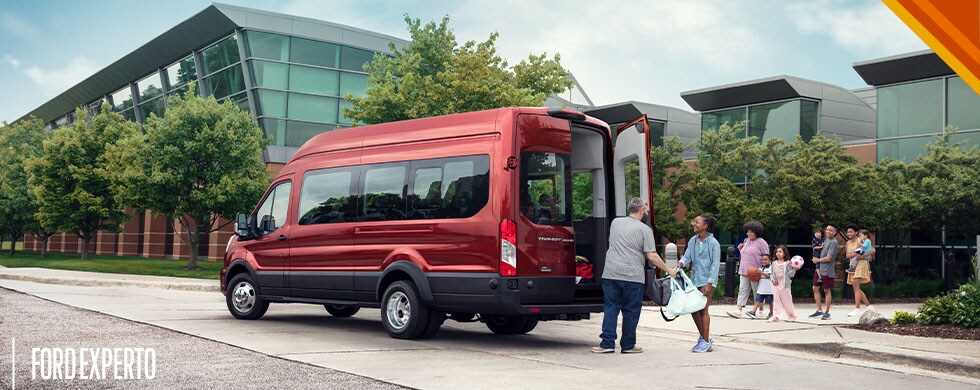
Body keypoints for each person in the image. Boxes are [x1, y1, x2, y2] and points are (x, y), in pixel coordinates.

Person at [593, 197, 677, 354]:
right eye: (646, 211)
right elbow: (651, 256)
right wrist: (669, 270)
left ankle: (607, 343)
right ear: (641, 211)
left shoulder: (615, 223)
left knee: (611, 308)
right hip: (632, 276)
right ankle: (628, 345)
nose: (646, 213)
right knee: (631, 310)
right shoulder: (645, 230)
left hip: (611, 274)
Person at [676, 215, 721, 353]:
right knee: (694, 309)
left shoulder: (714, 243)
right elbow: (687, 256)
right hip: (694, 279)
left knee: (703, 310)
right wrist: (680, 264)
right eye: (694, 221)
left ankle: (705, 341)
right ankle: (704, 337)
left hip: (707, 280)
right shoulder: (692, 241)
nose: (693, 224)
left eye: (697, 222)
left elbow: (715, 265)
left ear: (705, 225)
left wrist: (710, 283)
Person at [727, 221, 769, 319]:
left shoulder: (761, 242)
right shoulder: (746, 241)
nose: (749, 234)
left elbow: (766, 256)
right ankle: (739, 310)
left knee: (757, 291)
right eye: (748, 232)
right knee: (743, 290)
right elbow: (746, 254)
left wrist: (763, 269)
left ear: (757, 232)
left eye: (751, 232)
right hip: (744, 270)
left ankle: (761, 311)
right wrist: (740, 249)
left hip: (756, 271)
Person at [844, 224, 875, 317]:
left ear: (856, 233)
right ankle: (869, 307)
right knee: (856, 287)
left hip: (861, 264)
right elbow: (848, 255)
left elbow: (873, 250)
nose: (849, 233)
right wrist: (855, 255)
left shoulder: (861, 240)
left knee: (856, 286)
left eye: (851, 231)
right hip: (853, 265)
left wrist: (863, 256)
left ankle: (857, 309)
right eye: (848, 232)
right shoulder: (848, 243)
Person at [809, 225, 838, 320]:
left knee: (826, 290)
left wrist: (817, 260)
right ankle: (819, 310)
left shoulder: (833, 242)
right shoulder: (825, 240)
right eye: (827, 230)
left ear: (834, 232)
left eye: (830, 230)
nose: (828, 231)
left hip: (827, 270)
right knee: (815, 288)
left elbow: (829, 258)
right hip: (820, 269)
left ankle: (827, 312)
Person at [769, 245, 797, 322]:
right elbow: (771, 274)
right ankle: (776, 316)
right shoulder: (774, 263)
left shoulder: (788, 263)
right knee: (776, 300)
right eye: (777, 252)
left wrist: (794, 269)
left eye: (780, 252)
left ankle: (791, 315)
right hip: (776, 284)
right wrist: (772, 280)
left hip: (785, 284)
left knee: (787, 300)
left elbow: (791, 274)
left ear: (784, 253)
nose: (778, 253)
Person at [750, 254, 774, 321]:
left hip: (769, 288)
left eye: (765, 259)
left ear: (770, 261)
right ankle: (753, 312)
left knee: (770, 301)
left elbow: (769, 276)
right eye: (762, 260)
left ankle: (772, 312)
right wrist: (753, 276)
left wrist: (761, 273)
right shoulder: (761, 268)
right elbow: (757, 276)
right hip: (761, 288)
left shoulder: (771, 268)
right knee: (758, 300)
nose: (763, 261)